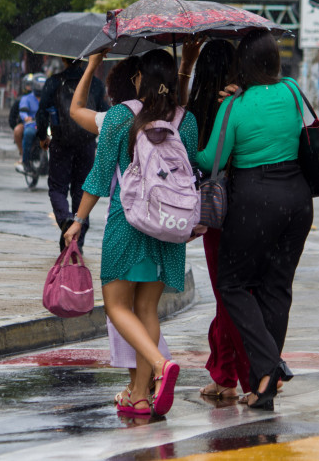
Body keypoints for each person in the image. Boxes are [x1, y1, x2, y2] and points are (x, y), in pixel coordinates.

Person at [63, 49, 200, 417]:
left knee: (117, 305)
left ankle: (160, 364)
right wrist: (186, 68)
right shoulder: (186, 121)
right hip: (168, 228)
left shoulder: (121, 117)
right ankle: (139, 395)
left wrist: (78, 220)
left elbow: (99, 175)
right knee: (146, 308)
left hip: (128, 223)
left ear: (138, 78)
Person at [196, 29, 313, 410]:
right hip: (297, 197)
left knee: (232, 285)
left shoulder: (234, 107)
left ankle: (267, 368)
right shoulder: (294, 90)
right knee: (277, 287)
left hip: (255, 197)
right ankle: (265, 385)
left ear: (242, 65)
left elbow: (211, 159)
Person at [179, 39, 253, 401]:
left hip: (216, 211)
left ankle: (234, 375)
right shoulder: (243, 101)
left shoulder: (198, 111)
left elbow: (196, 154)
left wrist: (186, 65)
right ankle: (244, 368)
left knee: (228, 297)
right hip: (255, 206)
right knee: (246, 294)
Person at [35, 58, 109, 252]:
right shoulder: (96, 83)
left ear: (62, 59)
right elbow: (104, 112)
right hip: (86, 144)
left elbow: (42, 112)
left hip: (61, 143)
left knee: (57, 188)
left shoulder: (54, 82)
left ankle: (65, 221)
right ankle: (78, 241)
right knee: (82, 191)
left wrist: (43, 136)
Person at [17, 73, 46, 172]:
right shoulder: (26, 98)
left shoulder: (48, 98)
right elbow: (23, 112)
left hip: (46, 124)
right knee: (28, 134)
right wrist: (26, 118)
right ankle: (26, 162)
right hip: (33, 124)